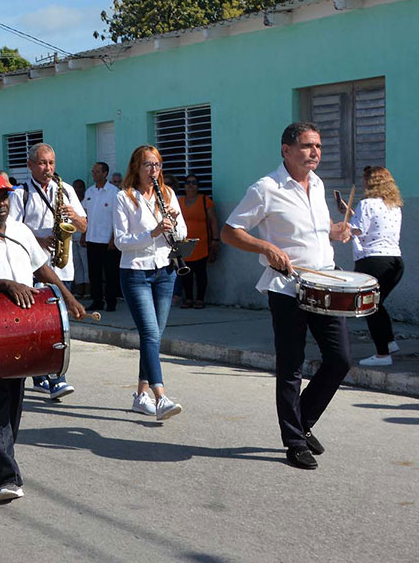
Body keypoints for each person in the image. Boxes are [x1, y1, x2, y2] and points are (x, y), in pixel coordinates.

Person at [222, 122, 353, 470]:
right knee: (291, 366)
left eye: (319, 146)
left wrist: (335, 232)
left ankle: (303, 420)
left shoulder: (319, 184)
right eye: (308, 146)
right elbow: (229, 232)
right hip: (287, 288)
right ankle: (294, 441)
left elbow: (316, 229)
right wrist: (265, 246)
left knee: (340, 360)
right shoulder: (265, 189)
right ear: (286, 150)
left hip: (325, 284)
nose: (315, 152)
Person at [0, 171, 85, 501]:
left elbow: (41, 268)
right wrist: (6, 284)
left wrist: (67, 296)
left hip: (23, 329)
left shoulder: (22, 231)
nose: (1, 203)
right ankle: (9, 477)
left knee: (12, 400)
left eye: (5, 196)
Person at [8, 143, 87, 401]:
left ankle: (44, 374)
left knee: (59, 323)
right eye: (42, 163)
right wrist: (39, 241)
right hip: (34, 268)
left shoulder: (65, 190)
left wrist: (73, 216)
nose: (48, 168)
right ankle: (55, 378)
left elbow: (84, 227)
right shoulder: (20, 194)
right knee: (42, 324)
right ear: (30, 165)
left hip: (62, 266)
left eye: (51, 163)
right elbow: (11, 232)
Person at [114, 146, 187, 421]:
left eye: (157, 165)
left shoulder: (166, 194)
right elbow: (121, 241)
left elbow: (182, 233)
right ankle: (161, 396)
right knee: (150, 334)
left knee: (154, 337)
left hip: (165, 270)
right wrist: (153, 231)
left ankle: (140, 395)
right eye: (147, 165)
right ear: (136, 167)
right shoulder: (124, 198)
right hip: (135, 272)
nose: (153, 170)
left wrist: (173, 224)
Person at [348, 166, 404, 366]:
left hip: (373, 261)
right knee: (377, 305)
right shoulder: (394, 206)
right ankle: (389, 342)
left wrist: (346, 221)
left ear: (370, 182)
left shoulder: (366, 204)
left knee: (369, 306)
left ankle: (383, 355)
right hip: (395, 262)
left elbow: (357, 230)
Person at [176, 174, 219, 308]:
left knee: (200, 272)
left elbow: (213, 221)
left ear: (198, 186)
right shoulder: (179, 202)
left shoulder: (205, 201)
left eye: (194, 183)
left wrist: (215, 239)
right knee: (186, 273)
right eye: (188, 183)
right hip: (184, 242)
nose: (190, 185)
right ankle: (188, 299)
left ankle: (200, 299)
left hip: (202, 242)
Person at [83, 161, 121, 312]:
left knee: (110, 273)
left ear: (105, 173)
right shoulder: (90, 192)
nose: (94, 174)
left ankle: (111, 301)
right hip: (92, 238)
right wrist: (84, 233)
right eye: (93, 171)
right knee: (94, 273)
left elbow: (118, 218)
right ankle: (97, 300)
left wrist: (113, 238)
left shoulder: (114, 192)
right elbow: (85, 215)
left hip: (108, 240)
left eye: (97, 171)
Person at [70, 179, 90, 297]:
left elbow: (87, 220)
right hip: (73, 238)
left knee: (85, 264)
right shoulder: (71, 201)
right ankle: (79, 290)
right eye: (75, 187)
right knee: (77, 265)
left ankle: (88, 289)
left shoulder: (85, 201)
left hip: (83, 238)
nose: (77, 190)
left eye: (79, 187)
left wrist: (84, 235)